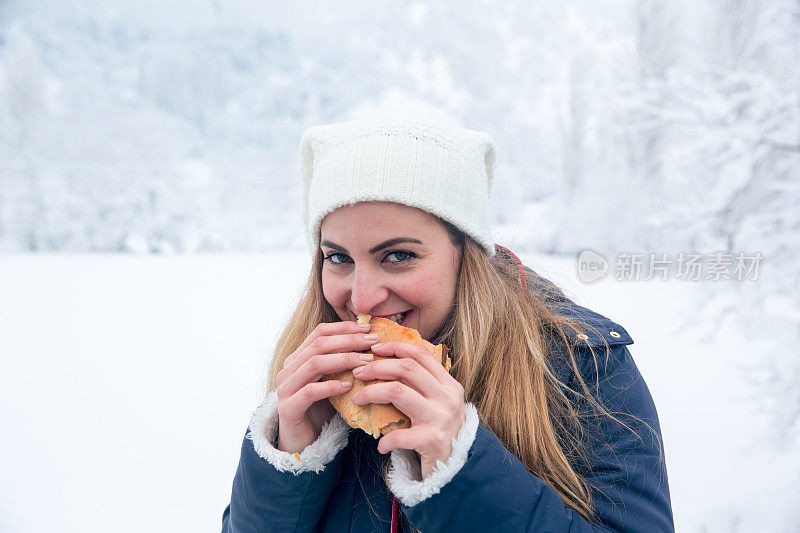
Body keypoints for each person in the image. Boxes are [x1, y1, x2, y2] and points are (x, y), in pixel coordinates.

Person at [220, 113, 675, 532]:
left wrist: (461, 466)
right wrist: (290, 459)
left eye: (398, 256)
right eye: (338, 257)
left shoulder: (582, 367)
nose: (360, 298)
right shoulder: (318, 381)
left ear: (467, 256)